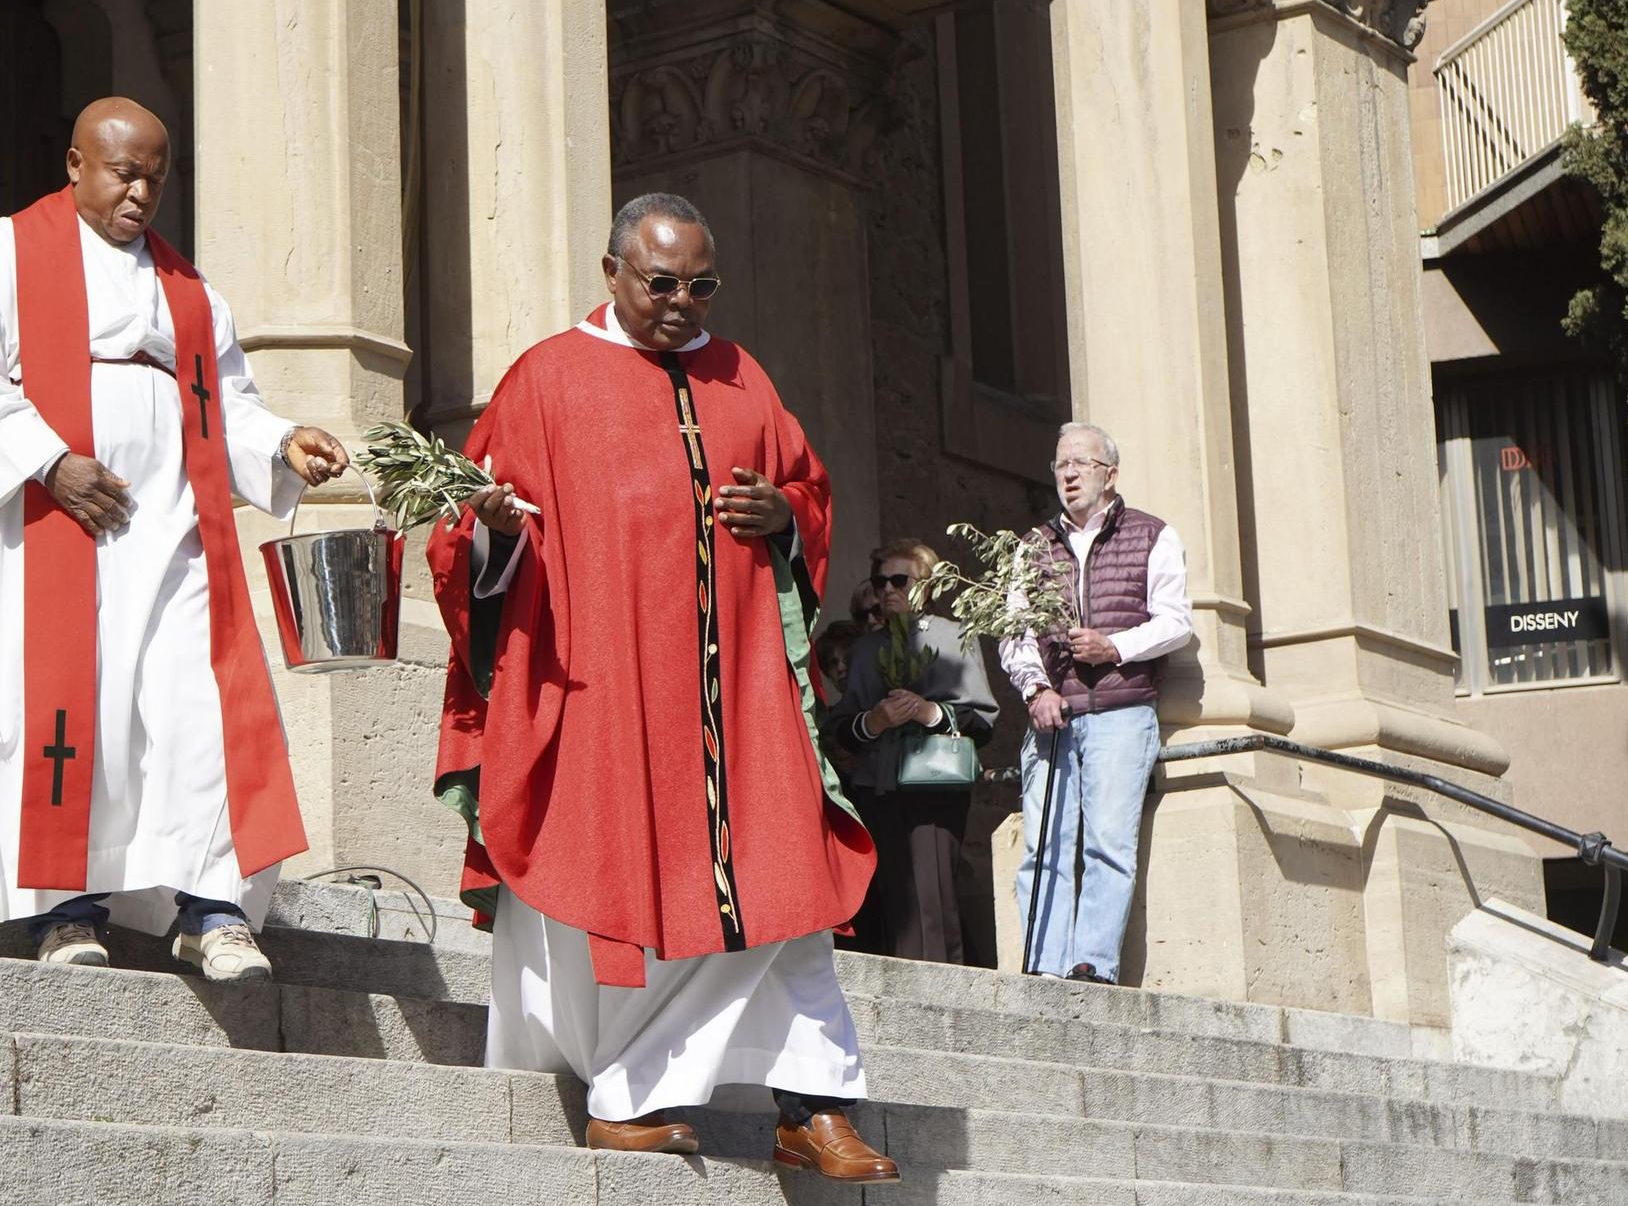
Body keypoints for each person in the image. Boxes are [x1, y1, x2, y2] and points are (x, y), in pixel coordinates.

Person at [429, 192, 898, 1183]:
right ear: (611, 273)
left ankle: (813, 1104)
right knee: (666, 894)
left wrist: (782, 511)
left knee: (788, 877)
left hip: (741, 698)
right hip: (607, 694)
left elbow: (808, 493)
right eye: (660, 283)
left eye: (700, 285)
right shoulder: (545, 379)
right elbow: (465, 525)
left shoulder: (743, 377)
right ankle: (639, 1093)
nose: (683, 303)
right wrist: (494, 534)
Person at [0, 96, 348, 982]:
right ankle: (65, 910)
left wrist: (280, 443)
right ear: (75, 164)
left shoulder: (190, 292)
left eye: (156, 174)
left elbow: (226, 409)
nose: (142, 191)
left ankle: (212, 911)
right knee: (75, 713)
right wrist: (48, 462)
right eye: (124, 171)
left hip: (178, 525)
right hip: (56, 525)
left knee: (197, 708)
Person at [999, 422, 1191, 983]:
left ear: (1110, 475)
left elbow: (1175, 622)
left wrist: (1115, 646)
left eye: (1081, 463)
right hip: (1053, 717)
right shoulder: (1033, 548)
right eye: (1061, 464)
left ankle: (1093, 964)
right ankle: (1043, 964)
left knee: (1107, 842)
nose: (1068, 473)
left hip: (1120, 712)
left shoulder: (1152, 535)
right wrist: (1036, 689)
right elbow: (1014, 632)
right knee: (1044, 845)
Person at [824, 540, 998, 965]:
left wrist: (929, 712)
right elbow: (842, 726)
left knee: (934, 893)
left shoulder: (955, 635)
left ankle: (944, 986)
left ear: (926, 585)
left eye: (899, 580)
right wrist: (874, 721)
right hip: (878, 784)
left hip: (935, 779)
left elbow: (982, 719)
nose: (887, 590)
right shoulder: (865, 649)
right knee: (894, 895)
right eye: (879, 581)